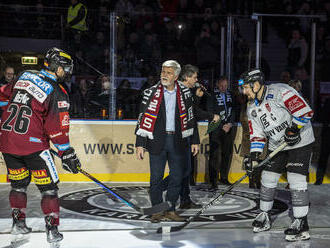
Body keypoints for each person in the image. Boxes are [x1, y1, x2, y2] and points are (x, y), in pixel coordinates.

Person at [0, 47, 81, 244]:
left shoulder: (25, 75)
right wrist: (67, 153)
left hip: (8, 142)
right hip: (34, 148)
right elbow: (57, 128)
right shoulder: (57, 91)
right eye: (65, 68)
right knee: (49, 190)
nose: (67, 72)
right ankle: (52, 231)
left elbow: (3, 95)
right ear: (57, 67)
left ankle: (18, 224)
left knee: (18, 186)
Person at [239, 68, 314, 242]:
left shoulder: (280, 91)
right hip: (277, 144)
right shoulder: (251, 107)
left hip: (300, 141)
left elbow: (305, 111)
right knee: (267, 177)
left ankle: (301, 222)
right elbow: (257, 134)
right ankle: (264, 215)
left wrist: (294, 128)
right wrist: (254, 155)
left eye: (246, 88)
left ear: (256, 84)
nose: (244, 92)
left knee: (295, 179)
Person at [135, 60, 200, 222]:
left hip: (178, 141)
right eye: (163, 71)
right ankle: (157, 210)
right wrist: (140, 144)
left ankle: (170, 209)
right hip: (157, 141)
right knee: (156, 178)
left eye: (169, 72)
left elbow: (192, 119)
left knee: (177, 177)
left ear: (176, 76)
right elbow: (142, 119)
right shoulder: (150, 93)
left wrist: (195, 140)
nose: (164, 75)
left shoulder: (185, 93)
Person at [161, 64, 220, 209]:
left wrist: (197, 97)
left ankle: (185, 199)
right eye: (194, 77)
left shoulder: (187, 91)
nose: (196, 79)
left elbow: (191, 111)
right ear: (186, 77)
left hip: (185, 135)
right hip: (178, 136)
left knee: (186, 170)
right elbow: (193, 113)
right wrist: (211, 115)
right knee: (183, 169)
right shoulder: (179, 90)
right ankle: (160, 187)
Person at [207, 76, 235, 189]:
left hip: (228, 129)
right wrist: (222, 124)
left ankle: (223, 177)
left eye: (225, 85)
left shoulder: (231, 95)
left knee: (227, 154)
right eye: (222, 85)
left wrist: (230, 123)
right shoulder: (211, 95)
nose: (224, 87)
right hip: (215, 129)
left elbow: (234, 110)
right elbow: (210, 111)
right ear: (217, 85)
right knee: (214, 156)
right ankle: (213, 181)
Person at [315, 97, 330, 185]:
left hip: (327, 132)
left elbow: (321, 116)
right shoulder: (328, 101)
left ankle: (319, 179)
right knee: (323, 157)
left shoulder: (328, 101)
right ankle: (319, 178)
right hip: (327, 132)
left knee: (323, 157)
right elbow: (322, 116)